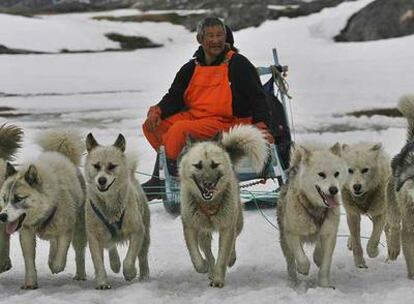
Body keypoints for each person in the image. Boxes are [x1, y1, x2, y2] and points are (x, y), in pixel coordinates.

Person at [142, 16, 273, 200]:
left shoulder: (238, 63)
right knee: (153, 126)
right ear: (200, 39)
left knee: (179, 130)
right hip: (196, 118)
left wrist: (262, 125)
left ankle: (170, 179)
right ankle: (166, 172)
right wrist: (157, 111)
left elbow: (258, 98)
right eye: (210, 36)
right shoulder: (190, 67)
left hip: (228, 122)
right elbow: (173, 97)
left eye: (220, 35)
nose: (216, 40)